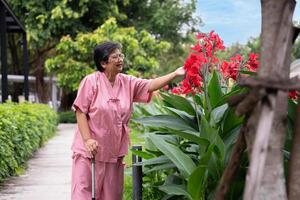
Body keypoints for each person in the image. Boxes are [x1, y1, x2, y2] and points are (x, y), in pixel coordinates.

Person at [71, 41, 185, 200]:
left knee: (112, 195)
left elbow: (151, 85)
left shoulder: (128, 82)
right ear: (103, 63)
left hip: (114, 150)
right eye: (115, 57)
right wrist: (88, 139)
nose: (120, 59)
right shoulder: (91, 82)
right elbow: (80, 111)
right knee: (84, 193)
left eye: (120, 55)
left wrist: (174, 74)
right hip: (90, 151)